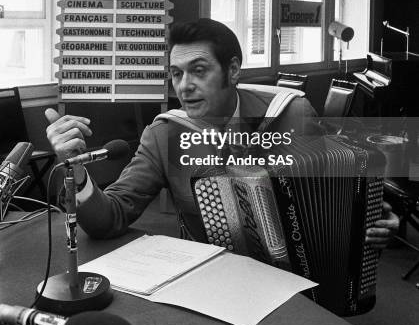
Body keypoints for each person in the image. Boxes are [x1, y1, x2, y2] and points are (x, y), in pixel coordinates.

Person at [45, 18, 398, 248]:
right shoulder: (165, 135)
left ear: (232, 71)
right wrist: (77, 172)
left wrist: (369, 215)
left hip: (298, 276)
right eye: (176, 74)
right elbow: (111, 218)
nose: (185, 86)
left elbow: (333, 194)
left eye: (198, 71)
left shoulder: (291, 114)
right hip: (211, 275)